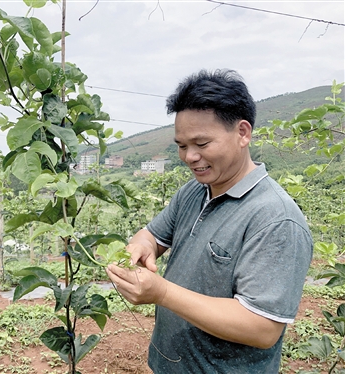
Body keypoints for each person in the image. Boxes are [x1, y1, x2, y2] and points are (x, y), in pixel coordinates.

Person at [106, 69, 313, 373]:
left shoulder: (275, 219)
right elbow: (152, 235)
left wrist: (161, 292)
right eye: (181, 145)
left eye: (201, 144)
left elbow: (262, 328)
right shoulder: (194, 191)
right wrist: (140, 246)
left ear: (243, 133)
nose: (190, 156)